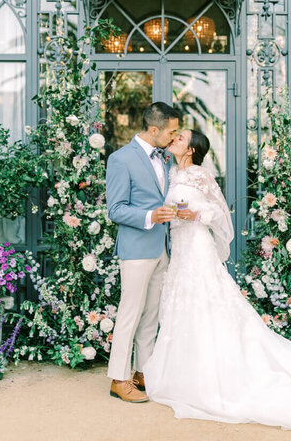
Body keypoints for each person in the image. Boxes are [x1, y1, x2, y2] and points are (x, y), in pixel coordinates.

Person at [141, 129, 291, 432]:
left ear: (191, 149)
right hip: (179, 251)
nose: (175, 138)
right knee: (182, 306)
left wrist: (193, 214)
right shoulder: (169, 173)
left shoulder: (200, 175)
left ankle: (218, 371)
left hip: (197, 248)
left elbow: (217, 213)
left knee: (206, 302)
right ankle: (183, 370)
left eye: (181, 137)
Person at [105, 102, 180, 402]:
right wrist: (151, 217)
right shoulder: (120, 159)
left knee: (150, 316)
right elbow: (116, 209)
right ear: (154, 130)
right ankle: (118, 379)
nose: (174, 137)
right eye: (171, 131)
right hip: (136, 250)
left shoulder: (164, 159)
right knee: (130, 314)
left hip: (161, 249)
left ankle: (142, 372)